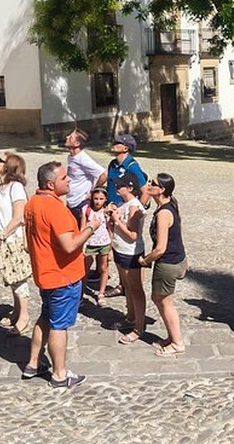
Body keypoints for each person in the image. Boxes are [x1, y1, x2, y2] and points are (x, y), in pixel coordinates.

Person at [22, 161, 102, 388]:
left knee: (45, 317)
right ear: (50, 183)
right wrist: (91, 228)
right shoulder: (55, 208)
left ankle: (33, 364)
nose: (69, 180)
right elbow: (69, 245)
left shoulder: (33, 203)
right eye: (64, 178)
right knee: (59, 325)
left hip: (45, 274)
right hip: (62, 276)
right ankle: (59, 374)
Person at [139, 173, 188, 357]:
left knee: (165, 302)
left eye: (153, 183)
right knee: (158, 298)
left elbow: (160, 248)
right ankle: (172, 336)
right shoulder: (165, 207)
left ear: (162, 190)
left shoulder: (164, 213)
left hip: (168, 263)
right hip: (174, 260)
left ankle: (177, 343)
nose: (149, 184)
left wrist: (145, 260)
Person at [0, 152, 33, 336]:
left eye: (1, 161)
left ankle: (24, 317)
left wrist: (3, 234)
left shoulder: (16, 188)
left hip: (13, 239)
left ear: (9, 166)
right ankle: (16, 311)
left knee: (18, 276)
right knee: (10, 275)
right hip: (2, 239)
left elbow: (18, 216)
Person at [101, 134, 148, 299]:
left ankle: (133, 287)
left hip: (125, 213)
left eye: (117, 143)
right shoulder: (113, 164)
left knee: (129, 249)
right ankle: (123, 285)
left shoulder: (132, 166)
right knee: (116, 247)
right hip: (114, 211)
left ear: (126, 148)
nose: (113, 144)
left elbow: (144, 191)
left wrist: (134, 212)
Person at [108, 172, 147, 344]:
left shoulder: (134, 207)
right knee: (127, 287)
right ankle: (130, 317)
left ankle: (139, 325)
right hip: (120, 250)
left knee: (136, 289)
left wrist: (116, 220)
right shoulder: (125, 204)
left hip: (130, 252)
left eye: (120, 186)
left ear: (130, 188)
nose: (117, 188)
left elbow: (132, 235)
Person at [65, 128, 107, 227]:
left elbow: (103, 174)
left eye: (70, 137)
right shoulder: (71, 157)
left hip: (80, 203)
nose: (67, 137)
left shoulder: (83, 159)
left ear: (77, 143)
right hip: (71, 201)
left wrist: (92, 191)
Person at [80, 186, 112, 306]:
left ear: (105, 199)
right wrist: (82, 243)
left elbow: (110, 229)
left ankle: (101, 293)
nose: (98, 201)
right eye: (96, 198)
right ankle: (81, 294)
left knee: (103, 268)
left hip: (104, 243)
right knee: (84, 270)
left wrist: (111, 248)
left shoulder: (107, 212)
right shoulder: (86, 210)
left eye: (101, 199)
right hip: (90, 243)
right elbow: (82, 227)